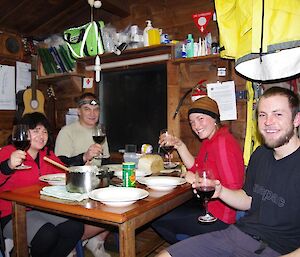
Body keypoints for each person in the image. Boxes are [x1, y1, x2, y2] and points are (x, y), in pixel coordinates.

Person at [157, 86, 300, 257]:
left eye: (278, 114)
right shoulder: (260, 155)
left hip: (278, 249)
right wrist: (220, 191)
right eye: (262, 115)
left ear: (296, 119)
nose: (268, 121)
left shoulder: (223, 142)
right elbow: (248, 200)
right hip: (240, 235)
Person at [152, 95, 245, 243]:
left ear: (214, 118)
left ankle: (189, 248)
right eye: (192, 122)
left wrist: (195, 179)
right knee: (161, 214)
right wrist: (179, 145)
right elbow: (196, 167)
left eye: (200, 118)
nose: (196, 126)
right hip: (208, 209)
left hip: (221, 220)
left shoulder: (222, 143)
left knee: (156, 218)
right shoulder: (210, 141)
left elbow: (233, 188)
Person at [0, 112, 84, 257]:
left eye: (44, 131)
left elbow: (64, 173)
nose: (41, 135)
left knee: (75, 227)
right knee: (47, 234)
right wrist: (8, 165)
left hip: (41, 209)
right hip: (11, 214)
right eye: (36, 131)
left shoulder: (48, 155)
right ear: (23, 132)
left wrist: (81, 166)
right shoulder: (8, 152)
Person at [55, 92, 110, 257]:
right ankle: (70, 245)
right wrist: (84, 157)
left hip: (96, 184)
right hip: (75, 186)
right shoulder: (67, 132)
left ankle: (97, 243)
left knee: (121, 206)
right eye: (87, 109)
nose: (92, 113)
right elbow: (60, 165)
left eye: (96, 109)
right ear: (78, 111)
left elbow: (105, 162)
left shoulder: (100, 133)